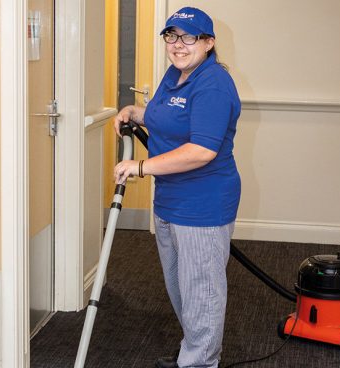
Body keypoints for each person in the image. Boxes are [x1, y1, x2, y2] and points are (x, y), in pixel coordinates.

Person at [114, 7, 241, 368]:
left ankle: (200, 362)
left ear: (208, 42)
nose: (178, 44)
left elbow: (201, 149)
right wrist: (135, 112)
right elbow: (165, 115)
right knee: (181, 288)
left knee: (202, 292)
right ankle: (195, 352)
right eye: (172, 36)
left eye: (189, 37)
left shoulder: (214, 83)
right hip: (170, 199)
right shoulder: (176, 74)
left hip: (203, 203)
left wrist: (140, 166)